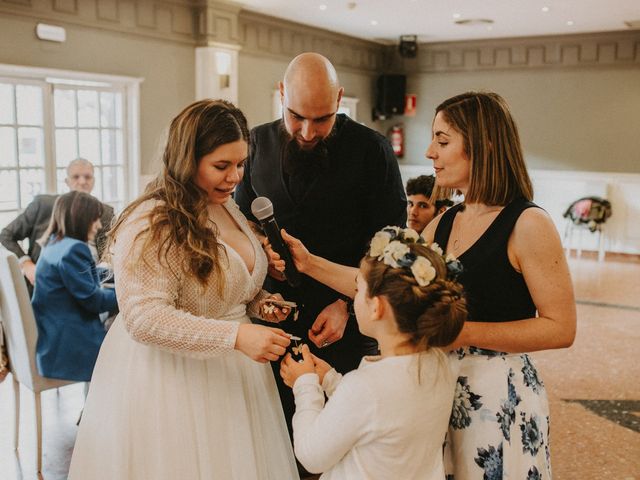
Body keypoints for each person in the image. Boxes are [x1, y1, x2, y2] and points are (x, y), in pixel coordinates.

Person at [68, 100, 299, 479]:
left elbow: (222, 287)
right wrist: (236, 335)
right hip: (176, 380)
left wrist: (260, 303)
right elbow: (143, 318)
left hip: (237, 379)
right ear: (186, 158)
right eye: (221, 166)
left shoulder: (226, 206)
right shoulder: (152, 221)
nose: (234, 177)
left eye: (240, 164)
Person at [234, 52, 407, 443]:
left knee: (338, 442)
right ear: (281, 93)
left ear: (340, 99)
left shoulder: (373, 150)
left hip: (347, 320)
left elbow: (389, 244)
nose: (308, 132)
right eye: (297, 116)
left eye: (322, 119)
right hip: (270, 319)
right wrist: (262, 250)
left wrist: (346, 303)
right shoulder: (254, 143)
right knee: (272, 436)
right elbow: (238, 222)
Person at [422, 92, 576, 479]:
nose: (430, 152)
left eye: (442, 141)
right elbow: (384, 281)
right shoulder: (443, 221)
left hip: (499, 395)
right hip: (440, 389)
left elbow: (561, 327)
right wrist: (310, 263)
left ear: (483, 145)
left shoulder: (527, 224)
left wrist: (461, 333)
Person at [279, 226, 467, 479]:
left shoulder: (364, 387)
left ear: (376, 307)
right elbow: (386, 411)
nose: (354, 297)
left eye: (358, 290)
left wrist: (305, 384)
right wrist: (332, 380)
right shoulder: (441, 364)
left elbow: (311, 456)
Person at [32, 191, 118, 382]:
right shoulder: (74, 249)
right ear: (81, 218)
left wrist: (114, 272)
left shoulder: (55, 244)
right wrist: (126, 293)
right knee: (127, 346)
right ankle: (97, 406)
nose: (98, 225)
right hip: (72, 344)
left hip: (53, 337)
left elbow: (79, 278)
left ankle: (89, 407)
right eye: (95, 218)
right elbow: (94, 301)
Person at [0, 158, 114, 289]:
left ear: (94, 181)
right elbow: (6, 235)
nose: (82, 182)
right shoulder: (43, 205)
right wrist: (27, 264)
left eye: (87, 177)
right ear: (67, 181)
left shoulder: (106, 213)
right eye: (76, 177)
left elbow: (107, 252)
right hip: (46, 287)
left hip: (90, 282)